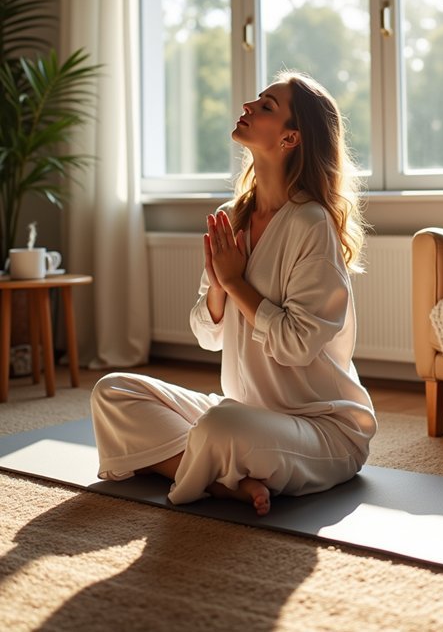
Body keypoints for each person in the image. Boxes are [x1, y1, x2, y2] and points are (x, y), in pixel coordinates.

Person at [91, 71, 377, 516]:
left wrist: (236, 283)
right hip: (244, 412)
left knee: (220, 426)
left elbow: (298, 346)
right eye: (255, 99)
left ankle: (195, 468)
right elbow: (209, 336)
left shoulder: (312, 224)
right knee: (113, 391)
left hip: (320, 428)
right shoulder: (232, 216)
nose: (248, 106)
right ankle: (223, 483)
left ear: (290, 138)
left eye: (266, 107)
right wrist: (220, 290)